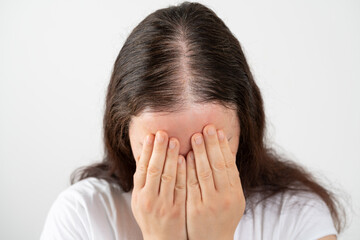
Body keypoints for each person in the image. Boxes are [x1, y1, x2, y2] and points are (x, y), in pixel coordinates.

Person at [40, 1, 346, 239]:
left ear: (246, 124)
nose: (187, 172)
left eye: (210, 147)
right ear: (123, 134)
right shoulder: (81, 216)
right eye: (161, 150)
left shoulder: (298, 217)